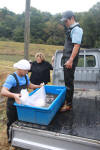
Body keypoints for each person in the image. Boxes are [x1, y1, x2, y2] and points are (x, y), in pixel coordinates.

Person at [1, 59, 43, 142]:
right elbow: (3, 91)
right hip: (13, 105)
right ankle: (11, 139)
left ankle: (21, 139)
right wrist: (14, 95)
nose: (27, 72)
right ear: (19, 69)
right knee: (12, 122)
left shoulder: (25, 76)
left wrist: (39, 86)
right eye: (25, 70)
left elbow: (29, 85)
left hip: (23, 104)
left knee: (22, 121)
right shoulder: (12, 78)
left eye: (28, 70)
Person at [60, 10, 83, 112]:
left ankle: (68, 105)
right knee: (67, 81)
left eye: (66, 21)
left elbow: (76, 46)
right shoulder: (71, 29)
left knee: (69, 82)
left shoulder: (76, 29)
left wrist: (70, 60)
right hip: (67, 59)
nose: (65, 23)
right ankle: (67, 101)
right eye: (64, 21)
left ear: (72, 18)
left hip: (70, 60)